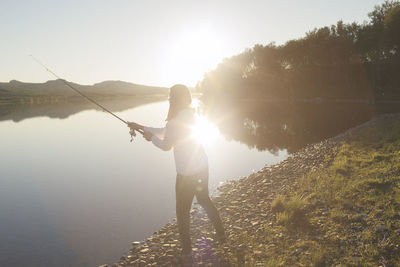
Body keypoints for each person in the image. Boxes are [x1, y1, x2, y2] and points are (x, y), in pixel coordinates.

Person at [128, 84, 225, 261]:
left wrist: (150, 139)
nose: (168, 98)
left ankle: (187, 249)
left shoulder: (175, 121)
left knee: (182, 211)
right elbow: (166, 132)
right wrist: (141, 127)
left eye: (171, 95)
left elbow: (166, 145)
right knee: (204, 200)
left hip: (186, 175)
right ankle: (221, 234)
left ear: (176, 98)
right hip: (202, 167)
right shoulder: (189, 115)